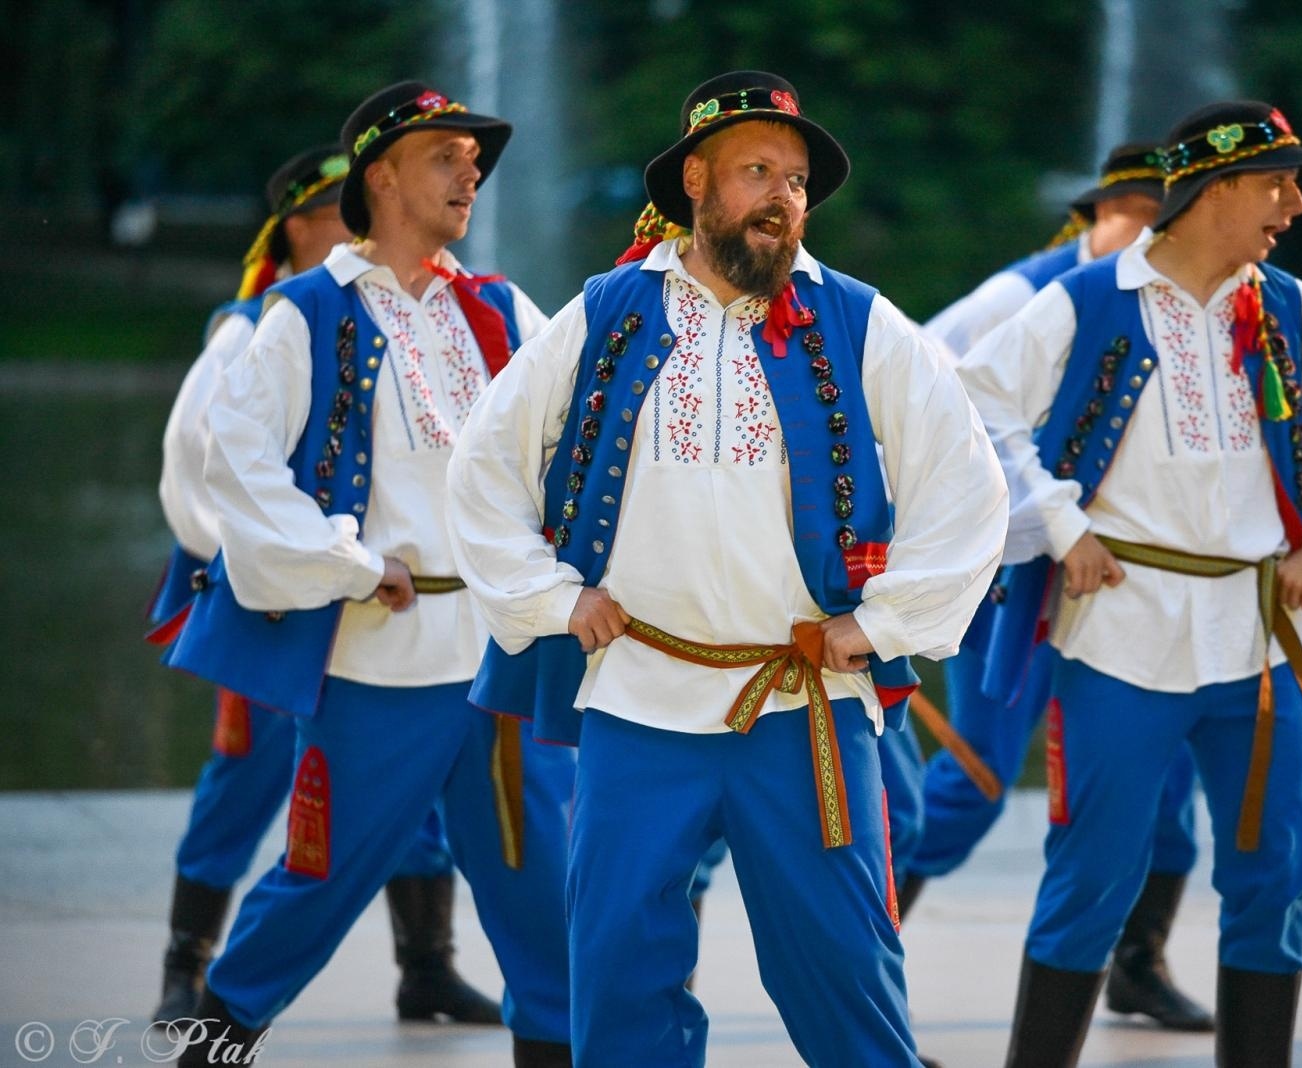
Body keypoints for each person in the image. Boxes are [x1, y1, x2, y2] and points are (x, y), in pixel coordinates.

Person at [447, 70, 1007, 1068]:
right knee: (617, 969)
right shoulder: (606, 311)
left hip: (806, 707)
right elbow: (483, 462)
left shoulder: (860, 321)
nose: (783, 196)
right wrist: (551, 597)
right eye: (758, 171)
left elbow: (968, 490)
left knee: (844, 974)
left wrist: (877, 626)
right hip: (638, 705)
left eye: (795, 180)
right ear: (695, 180)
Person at [958, 101, 1302, 1067]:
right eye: (1276, 183)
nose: (1292, 205)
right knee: (1089, 880)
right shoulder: (1086, 301)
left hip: (1260, 640)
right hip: (1120, 634)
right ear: (1212, 191)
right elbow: (972, 407)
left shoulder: (1289, 307)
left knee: (1275, 877)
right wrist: (1059, 523)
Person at [163, 82, 575, 1068]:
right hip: (380, 667)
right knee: (315, 885)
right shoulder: (304, 314)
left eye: (476, 160)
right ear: (380, 175)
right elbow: (235, 465)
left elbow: (586, 434)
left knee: (545, 900)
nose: (470, 171)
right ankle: (208, 1050)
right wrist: (345, 563)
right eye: (446, 156)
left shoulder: (502, 308)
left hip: (501, 663)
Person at [909, 142, 1215, 1032]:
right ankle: (860, 939)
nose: (1159, 234)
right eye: (1149, 215)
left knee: (1165, 777)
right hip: (1009, 578)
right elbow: (906, 394)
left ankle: (1139, 965)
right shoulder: (1023, 295)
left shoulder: (1180, 296)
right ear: (1101, 211)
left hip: (1119, 584)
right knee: (974, 777)